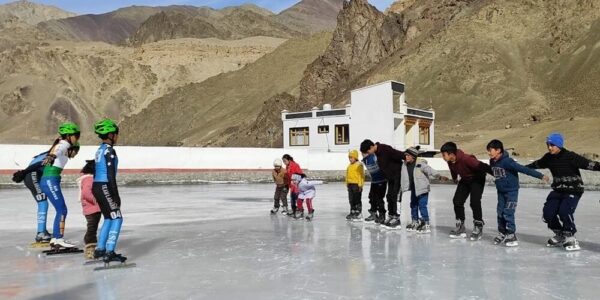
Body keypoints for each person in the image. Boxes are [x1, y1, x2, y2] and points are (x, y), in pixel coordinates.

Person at [526, 132, 600, 251]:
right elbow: (536, 164)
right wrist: (520, 168)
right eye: (548, 145)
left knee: (564, 211)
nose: (550, 148)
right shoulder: (548, 157)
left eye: (552, 145)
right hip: (558, 190)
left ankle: (570, 236)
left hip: (574, 189)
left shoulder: (570, 156)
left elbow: (589, 164)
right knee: (548, 212)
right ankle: (560, 234)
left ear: (559, 145)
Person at [487, 139, 548, 247]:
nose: (489, 152)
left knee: (508, 212)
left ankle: (511, 234)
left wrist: (540, 175)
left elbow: (523, 169)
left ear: (498, 150)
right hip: (501, 192)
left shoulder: (508, 161)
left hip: (511, 191)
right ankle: (502, 232)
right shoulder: (492, 161)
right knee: (500, 212)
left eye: (490, 150)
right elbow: (495, 172)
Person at [39, 122, 81, 248]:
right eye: (76, 135)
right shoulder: (64, 143)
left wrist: (52, 155)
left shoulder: (63, 144)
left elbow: (57, 148)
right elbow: (57, 149)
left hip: (51, 180)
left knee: (60, 209)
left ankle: (55, 238)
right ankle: (58, 238)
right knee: (62, 209)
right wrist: (51, 156)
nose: (77, 138)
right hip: (50, 180)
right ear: (69, 135)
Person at [440, 141, 492, 240]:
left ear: (451, 154)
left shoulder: (466, 159)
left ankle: (478, 226)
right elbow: (452, 169)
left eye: (444, 155)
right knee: (457, 201)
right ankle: (460, 227)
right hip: (465, 179)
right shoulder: (450, 161)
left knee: (474, 202)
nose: (443, 157)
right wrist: (454, 178)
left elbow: (483, 166)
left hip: (477, 178)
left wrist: (498, 175)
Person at [92, 119, 127, 263]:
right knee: (117, 218)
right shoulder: (109, 151)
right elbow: (111, 175)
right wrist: (115, 195)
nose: (117, 137)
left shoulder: (99, 150)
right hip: (105, 185)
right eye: (116, 134)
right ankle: (110, 251)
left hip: (97, 186)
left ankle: (100, 249)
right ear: (111, 135)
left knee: (108, 217)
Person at [359, 140, 404, 229]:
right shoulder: (377, 153)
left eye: (367, 151)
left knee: (394, 196)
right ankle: (391, 216)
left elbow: (398, 154)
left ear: (371, 147)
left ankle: (396, 217)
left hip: (397, 175)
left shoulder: (384, 148)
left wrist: (408, 157)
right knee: (389, 196)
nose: (368, 153)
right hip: (390, 177)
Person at [401, 146, 447, 233]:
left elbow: (430, 170)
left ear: (413, 156)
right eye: (405, 155)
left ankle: (426, 223)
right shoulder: (404, 164)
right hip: (414, 188)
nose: (406, 157)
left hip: (423, 189)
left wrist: (439, 176)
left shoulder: (420, 164)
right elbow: (403, 177)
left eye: (408, 155)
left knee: (422, 206)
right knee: (413, 205)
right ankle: (415, 221)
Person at [12, 151, 52, 243]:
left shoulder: (48, 152)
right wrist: (24, 172)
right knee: (43, 203)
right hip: (33, 175)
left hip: (32, 175)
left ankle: (42, 231)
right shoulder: (56, 153)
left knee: (42, 202)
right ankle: (41, 233)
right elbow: (39, 164)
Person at [77, 160, 102, 259]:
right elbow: (86, 192)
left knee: (93, 227)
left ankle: (91, 246)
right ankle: (89, 247)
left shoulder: (87, 178)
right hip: (92, 208)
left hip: (92, 208)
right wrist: (95, 200)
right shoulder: (89, 179)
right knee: (92, 228)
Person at [361, 146, 387, 224]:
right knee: (371, 197)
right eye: (362, 153)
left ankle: (382, 215)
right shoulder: (365, 160)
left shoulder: (373, 156)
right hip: (374, 181)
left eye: (364, 152)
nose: (362, 154)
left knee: (379, 198)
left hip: (381, 180)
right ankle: (373, 213)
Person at [345, 150, 365, 221]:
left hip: (357, 185)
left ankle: (358, 213)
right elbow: (347, 175)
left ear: (355, 157)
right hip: (350, 185)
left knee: (357, 199)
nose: (350, 159)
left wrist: (360, 185)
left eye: (351, 157)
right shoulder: (349, 166)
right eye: (349, 157)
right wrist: (347, 183)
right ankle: (352, 212)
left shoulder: (359, 165)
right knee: (351, 199)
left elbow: (361, 176)